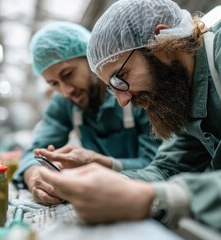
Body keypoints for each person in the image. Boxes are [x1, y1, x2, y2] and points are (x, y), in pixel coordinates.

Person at [36, 0, 221, 239]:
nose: (123, 101)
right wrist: (101, 184)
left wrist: (151, 199)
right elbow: (166, 169)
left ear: (160, 40)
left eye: (120, 78)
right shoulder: (185, 91)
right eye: (112, 88)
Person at [13, 22, 162, 205]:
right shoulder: (64, 103)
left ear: (91, 58)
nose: (66, 91)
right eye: (54, 84)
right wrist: (35, 176)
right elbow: (34, 152)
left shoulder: (133, 91)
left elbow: (162, 163)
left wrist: (102, 164)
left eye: (68, 74)